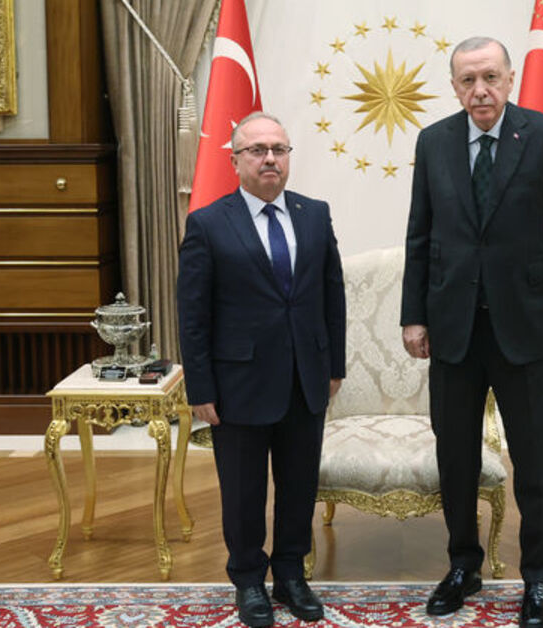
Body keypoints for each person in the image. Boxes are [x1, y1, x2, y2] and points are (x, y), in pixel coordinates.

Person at [400, 36, 543, 628]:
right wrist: (413, 315)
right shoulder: (434, 141)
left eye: (490, 77)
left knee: (537, 460)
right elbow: (420, 235)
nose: (480, 90)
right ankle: (463, 566)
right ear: (454, 86)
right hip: (453, 328)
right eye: (467, 80)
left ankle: (538, 580)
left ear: (510, 78)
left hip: (525, 327)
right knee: (455, 458)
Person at [177, 112, 346, 627]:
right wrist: (200, 386)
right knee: (244, 491)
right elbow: (193, 314)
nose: (270, 158)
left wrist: (334, 365)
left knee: (298, 487)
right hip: (238, 385)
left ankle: (291, 575)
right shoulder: (208, 222)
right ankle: (248, 579)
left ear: (288, 157)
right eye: (257, 150)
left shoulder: (315, 215)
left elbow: (332, 296)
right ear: (235, 161)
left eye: (278, 149)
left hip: (304, 379)